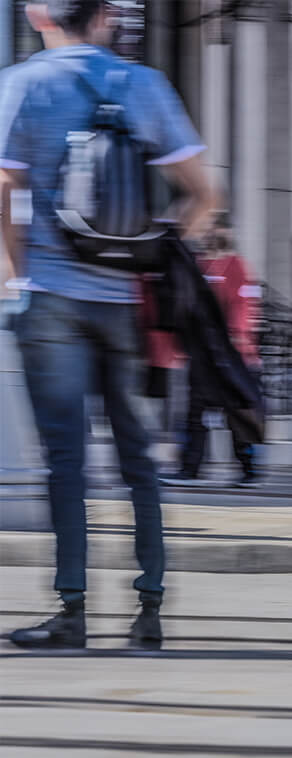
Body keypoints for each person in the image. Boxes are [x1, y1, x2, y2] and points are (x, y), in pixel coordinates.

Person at [0, 0, 217, 649]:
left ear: (43, 18)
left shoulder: (23, 83)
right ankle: (148, 609)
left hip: (50, 300)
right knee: (137, 459)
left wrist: (15, 273)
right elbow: (204, 194)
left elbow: (2, 188)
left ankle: (71, 613)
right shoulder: (141, 84)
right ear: (105, 17)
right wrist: (151, 250)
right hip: (124, 303)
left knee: (65, 461)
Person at [159, 220, 262, 488]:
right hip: (203, 355)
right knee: (195, 413)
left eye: (217, 228)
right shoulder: (201, 266)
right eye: (207, 229)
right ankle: (189, 469)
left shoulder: (236, 265)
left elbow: (244, 304)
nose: (210, 234)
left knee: (237, 414)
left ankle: (250, 469)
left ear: (228, 232)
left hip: (234, 356)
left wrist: (240, 335)